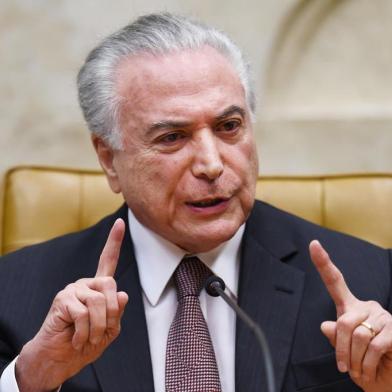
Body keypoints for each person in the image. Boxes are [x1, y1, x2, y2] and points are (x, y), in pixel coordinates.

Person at [0, 12, 391, 392]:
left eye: (229, 127)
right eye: (172, 137)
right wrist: (33, 379)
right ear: (109, 160)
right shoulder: (15, 299)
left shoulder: (372, 283)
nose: (211, 164)